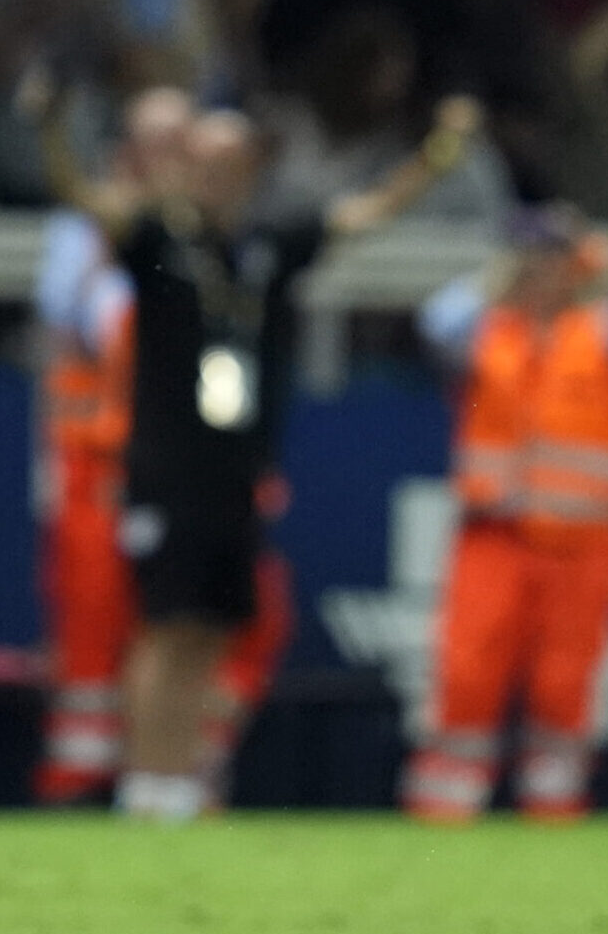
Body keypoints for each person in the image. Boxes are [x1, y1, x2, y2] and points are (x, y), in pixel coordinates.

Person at [32, 76, 485, 822]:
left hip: (236, 472)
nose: (212, 175)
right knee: (164, 625)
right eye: (200, 161)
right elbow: (82, 197)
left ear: (249, 168)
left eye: (226, 162)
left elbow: (366, 213)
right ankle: (143, 780)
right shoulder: (158, 238)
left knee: (212, 627)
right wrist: (53, 131)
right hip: (166, 468)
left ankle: (178, 782)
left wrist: (435, 155)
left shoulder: (272, 243)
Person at [33, 88, 293, 807]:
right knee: (150, 629)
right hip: (122, 469)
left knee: (220, 624)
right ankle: (127, 782)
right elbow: (90, 313)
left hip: (210, 467)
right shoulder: (122, 237)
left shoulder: (226, 243)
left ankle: (179, 775)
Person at [403, 204, 608, 823]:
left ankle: (554, 815)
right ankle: (443, 818)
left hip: (584, 541)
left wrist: (604, 273)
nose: (538, 270)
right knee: (466, 676)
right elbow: (433, 322)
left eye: (552, 257)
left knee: (566, 686)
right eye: (527, 257)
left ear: (575, 262)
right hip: (493, 537)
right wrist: (493, 281)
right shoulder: (484, 329)